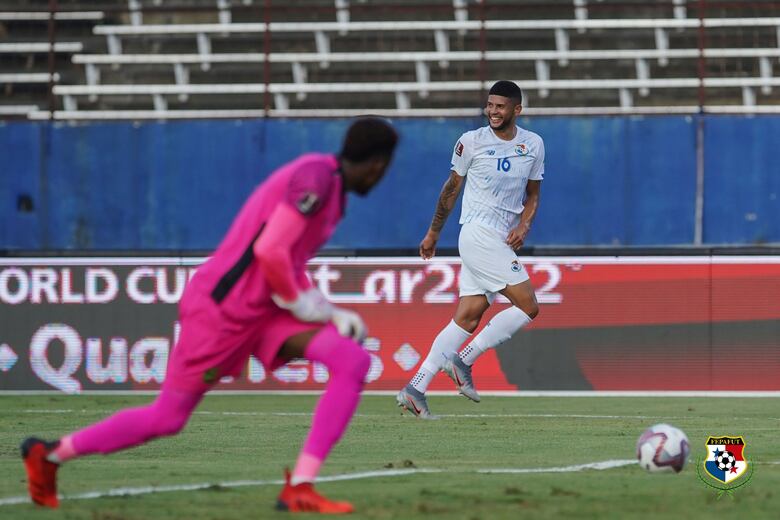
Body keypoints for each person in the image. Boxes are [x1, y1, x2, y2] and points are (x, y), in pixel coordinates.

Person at [21, 118, 399, 514]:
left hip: (267, 310)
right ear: (378, 164)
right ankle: (50, 456)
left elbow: (285, 256)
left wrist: (324, 310)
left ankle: (301, 486)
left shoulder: (332, 188)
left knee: (351, 360)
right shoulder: (317, 176)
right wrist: (308, 305)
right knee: (167, 419)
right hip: (224, 310)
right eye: (385, 167)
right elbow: (270, 251)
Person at [396, 80, 544, 419]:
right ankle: (464, 361)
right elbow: (451, 190)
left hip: (500, 237)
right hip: (478, 234)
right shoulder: (471, 142)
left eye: (500, 106)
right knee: (528, 306)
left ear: (517, 110)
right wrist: (433, 232)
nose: (492, 111)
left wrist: (524, 225)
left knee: (468, 317)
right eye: (489, 105)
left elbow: (533, 194)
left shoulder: (533, 145)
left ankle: (415, 387)